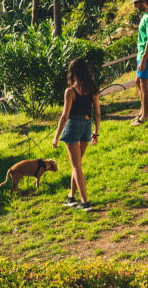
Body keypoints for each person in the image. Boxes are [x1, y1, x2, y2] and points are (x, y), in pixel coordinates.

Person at [53, 57, 100, 211]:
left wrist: (56, 137)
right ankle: (71, 197)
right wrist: (96, 132)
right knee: (77, 165)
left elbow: (64, 116)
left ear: (72, 73)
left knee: (76, 166)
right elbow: (98, 114)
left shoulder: (70, 91)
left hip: (73, 127)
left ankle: (85, 202)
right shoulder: (93, 89)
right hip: (87, 126)